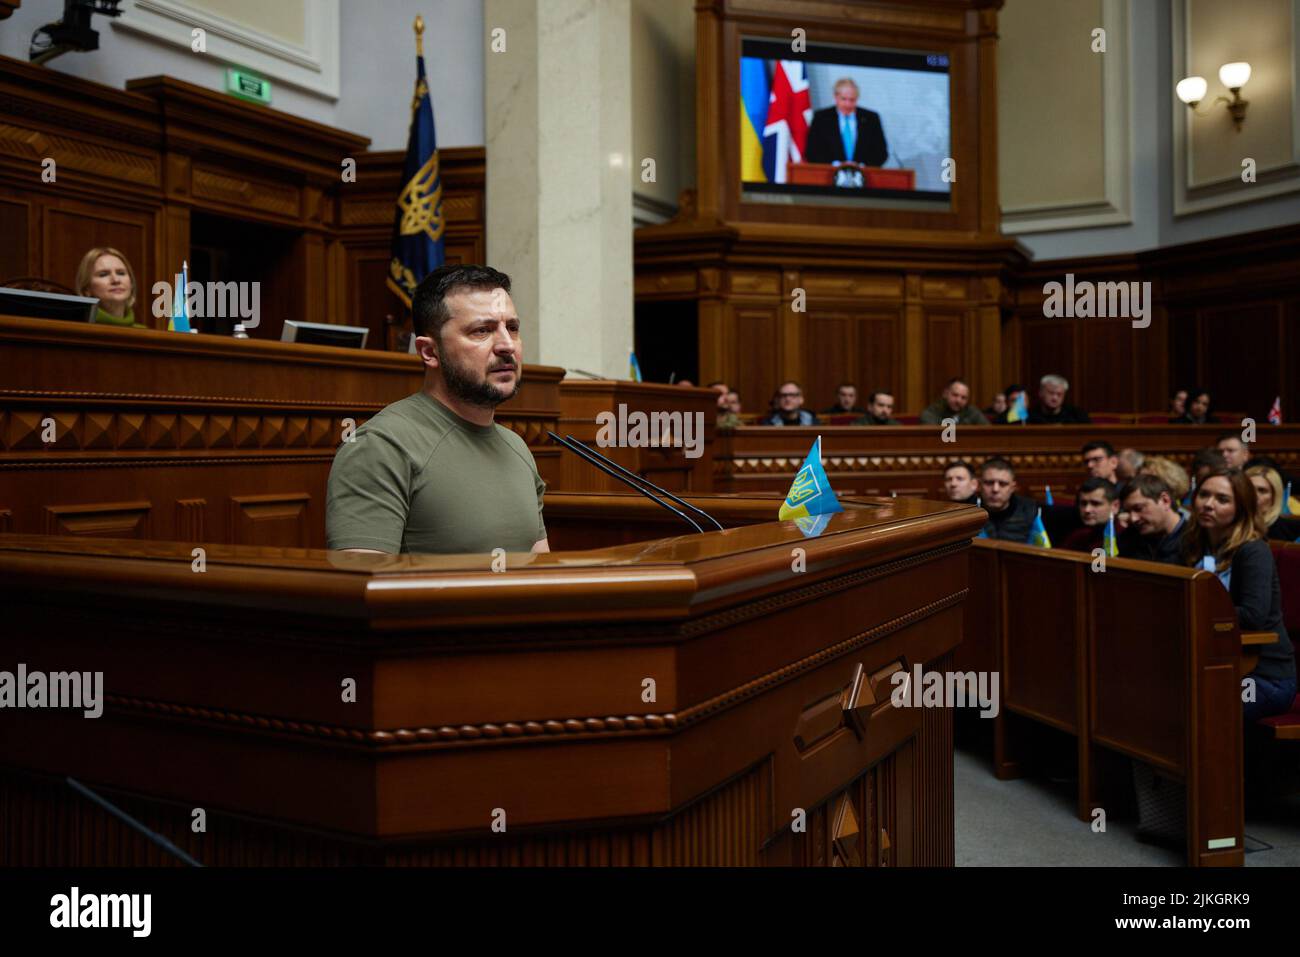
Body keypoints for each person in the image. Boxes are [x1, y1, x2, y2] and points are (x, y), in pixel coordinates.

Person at [325, 264, 548, 555]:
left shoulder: (517, 447)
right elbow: (360, 588)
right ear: (429, 352)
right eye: (482, 330)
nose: (507, 345)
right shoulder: (379, 446)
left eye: (513, 328)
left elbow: (539, 574)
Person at [1183, 468, 1295, 721]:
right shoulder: (1193, 545)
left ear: (1241, 508)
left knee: (1203, 708)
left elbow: (1253, 616)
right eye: (1203, 495)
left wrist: (1189, 609)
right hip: (1216, 665)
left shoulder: (1253, 551)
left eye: (1222, 499)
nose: (1208, 505)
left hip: (1262, 676)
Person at [804, 77, 888, 168]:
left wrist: (861, 166)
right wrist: (836, 166)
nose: (848, 104)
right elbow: (812, 152)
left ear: (857, 98)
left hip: (864, 176)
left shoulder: (871, 119)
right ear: (836, 97)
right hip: (829, 175)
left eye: (852, 100)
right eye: (844, 99)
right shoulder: (821, 118)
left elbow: (881, 153)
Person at [1118, 475, 1187, 564]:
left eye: (1138, 508)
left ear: (1165, 500)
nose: (1133, 518)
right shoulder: (1129, 539)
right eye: (1128, 512)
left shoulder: (1194, 539)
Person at [74, 247, 148, 328]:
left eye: (121, 273)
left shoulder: (145, 332)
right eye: (103, 274)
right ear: (86, 289)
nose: (116, 280)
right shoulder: (76, 329)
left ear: (131, 284)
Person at [977, 457, 1036, 542]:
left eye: (1003, 484)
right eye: (989, 483)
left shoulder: (1031, 510)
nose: (995, 489)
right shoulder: (969, 511)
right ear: (980, 485)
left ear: (1013, 487)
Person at [1059, 478, 1119, 553]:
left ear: (1115, 506)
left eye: (1095, 503)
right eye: (1083, 503)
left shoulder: (1124, 536)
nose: (1087, 510)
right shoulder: (1078, 537)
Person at [1246, 464, 1300, 541]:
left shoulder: (1288, 531)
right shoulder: (1231, 526)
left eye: (1262, 490)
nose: (1254, 495)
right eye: (1249, 489)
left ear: (1275, 497)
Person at [919, 378, 989, 426]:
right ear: (945, 394)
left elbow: (987, 430)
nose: (958, 400)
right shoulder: (932, 411)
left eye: (963, 398)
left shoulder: (971, 412)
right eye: (955, 395)